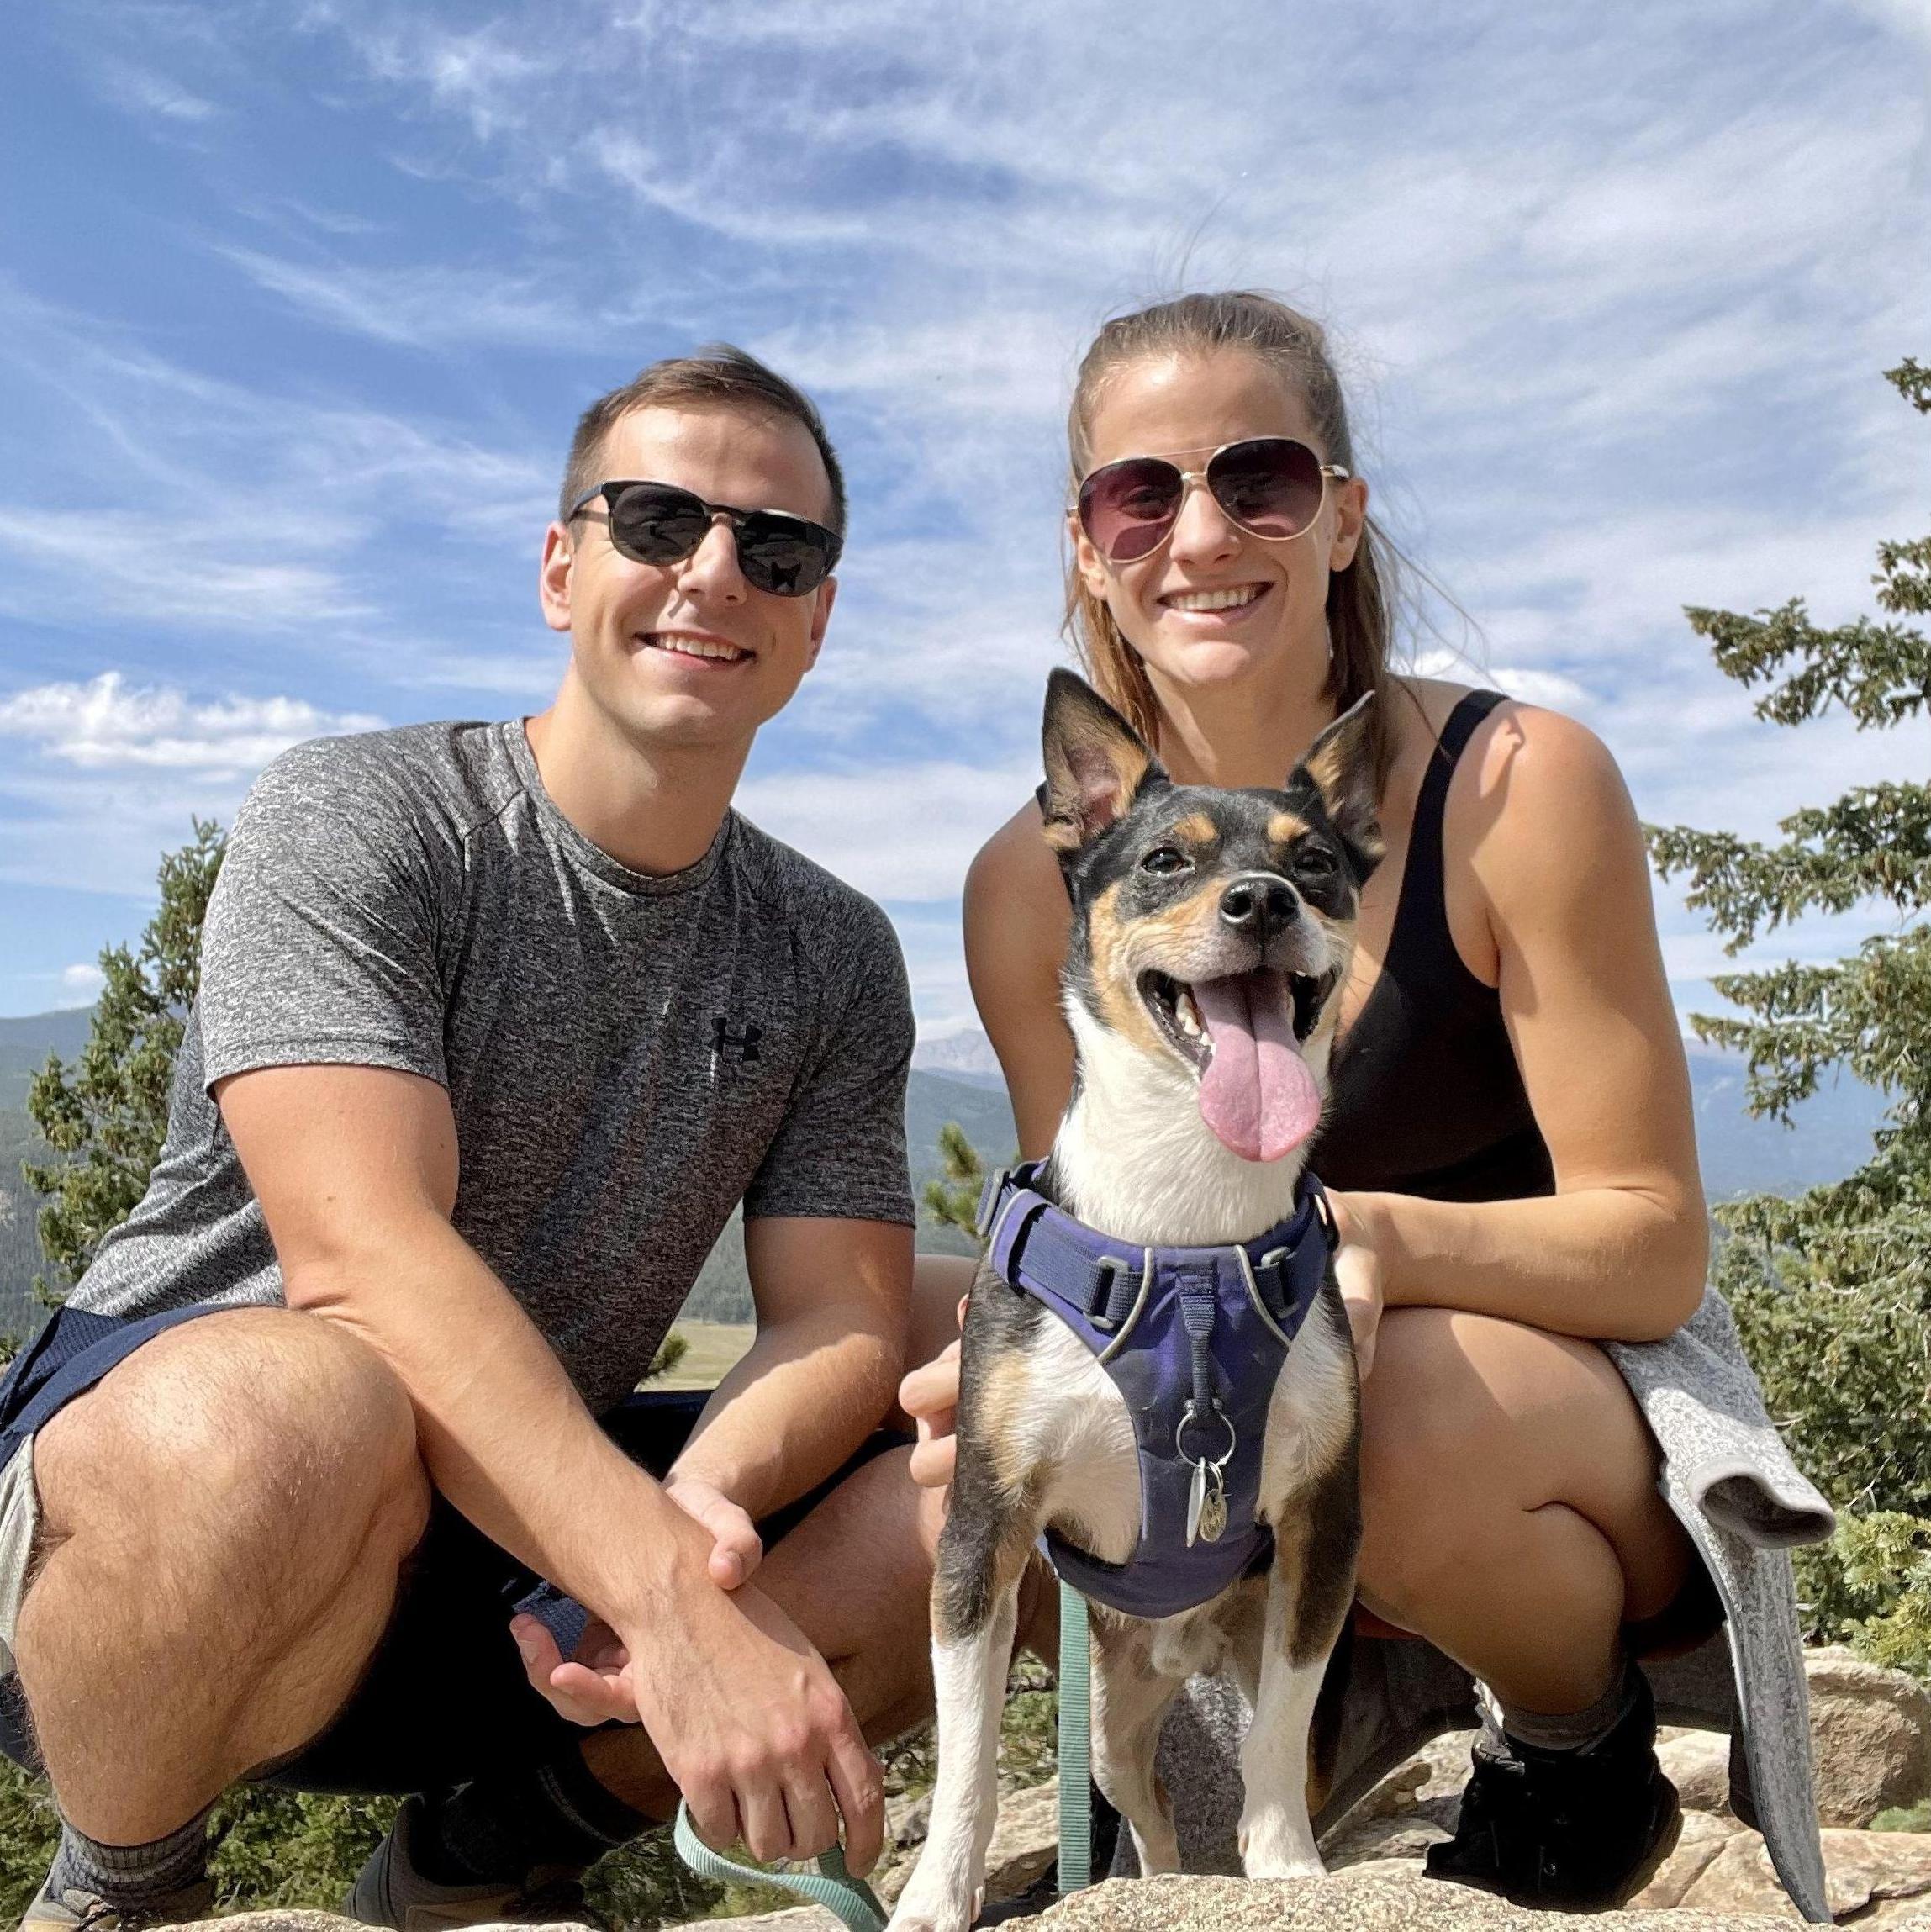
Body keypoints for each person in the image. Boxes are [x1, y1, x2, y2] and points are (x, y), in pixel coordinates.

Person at [894, 290, 1821, 1911]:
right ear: (1087, 544)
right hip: (1213, 1445)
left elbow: (1655, 1246)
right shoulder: (1018, 882)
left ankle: (1569, 1740)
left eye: (1255, 479)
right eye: (1141, 494)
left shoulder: (1519, 785)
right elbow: (1096, 1213)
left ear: (1338, 514)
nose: (1199, 533)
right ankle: (1288, 1734)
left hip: (1534, 1423)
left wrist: (1347, 1239)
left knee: (1381, 1400)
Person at [0, 346, 947, 1932]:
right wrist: (663, 1589)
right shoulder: (365, 815)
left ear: (815, 620)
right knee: (303, 1402)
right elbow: (358, 1258)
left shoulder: (832, 949)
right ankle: (127, 1881)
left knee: (1005, 1377)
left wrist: (695, 1515)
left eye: (776, 550)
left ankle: (493, 1845)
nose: (714, 571)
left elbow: (842, 1308)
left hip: (523, 1562)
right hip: (203, 1539)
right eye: (659, 520)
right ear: (562, 564)